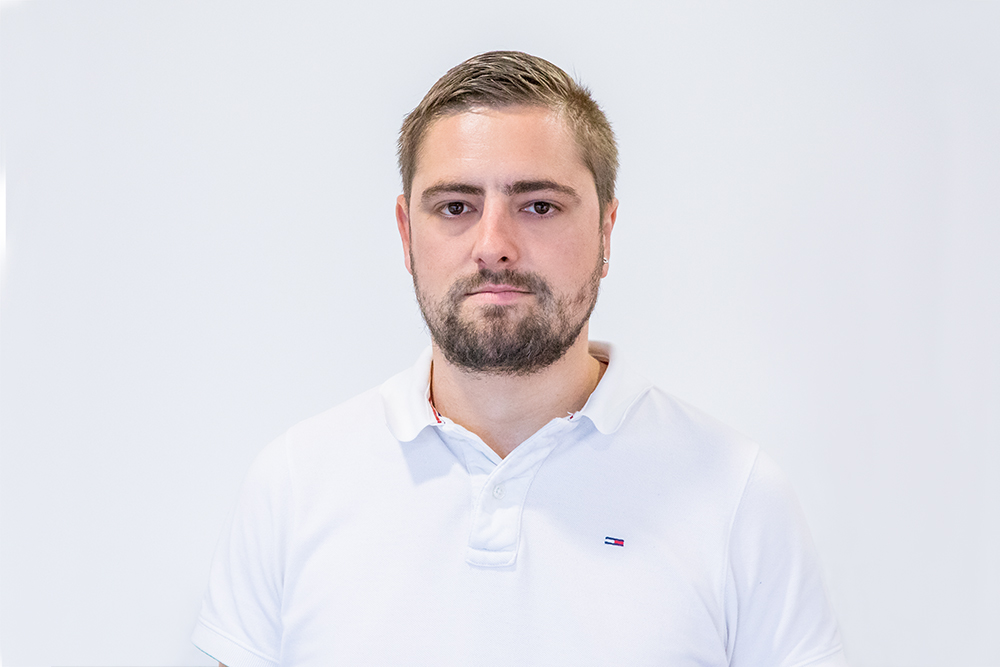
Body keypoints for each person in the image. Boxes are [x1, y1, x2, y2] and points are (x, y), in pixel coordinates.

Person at [192, 51, 847, 667]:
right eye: (456, 206)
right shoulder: (295, 485)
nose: (494, 245)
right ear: (406, 232)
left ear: (606, 230)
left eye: (539, 205)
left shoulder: (737, 496)